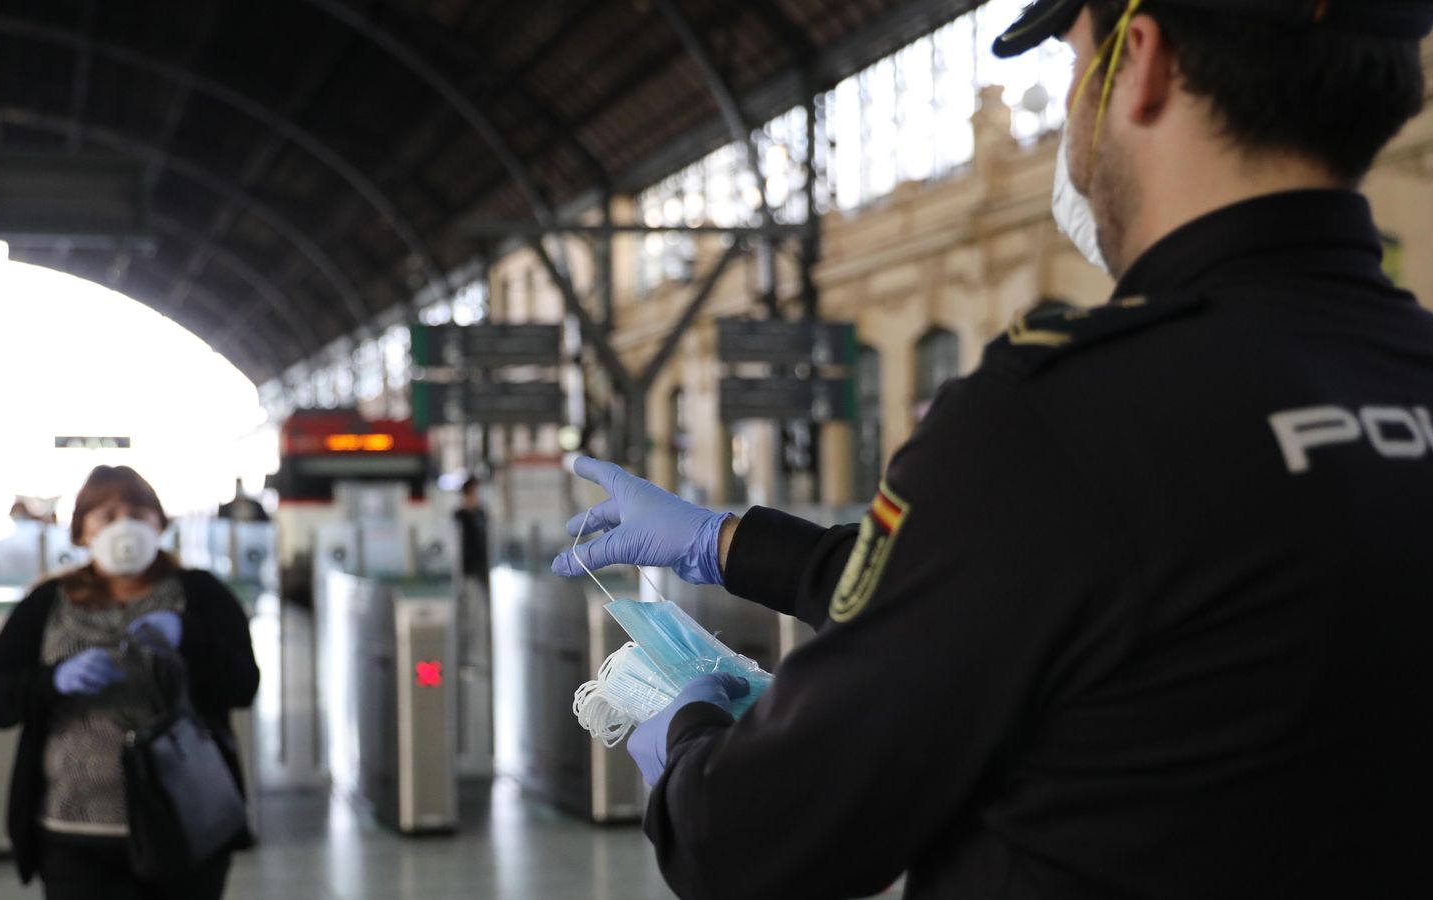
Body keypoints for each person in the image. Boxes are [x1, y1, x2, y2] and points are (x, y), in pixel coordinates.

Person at [553, 2, 1433, 898]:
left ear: (1141, 58)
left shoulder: (1057, 420)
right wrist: (729, 543)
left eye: (1074, 61)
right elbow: (1037, 582)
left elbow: (751, 836)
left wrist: (689, 730)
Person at [0, 465, 259, 899]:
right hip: (73, 830)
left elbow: (243, 686)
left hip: (184, 820)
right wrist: (53, 680)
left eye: (138, 513)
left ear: (160, 524)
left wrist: (190, 637)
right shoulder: (47, 603)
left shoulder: (200, 595)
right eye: (106, 515)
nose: (124, 525)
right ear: (82, 531)